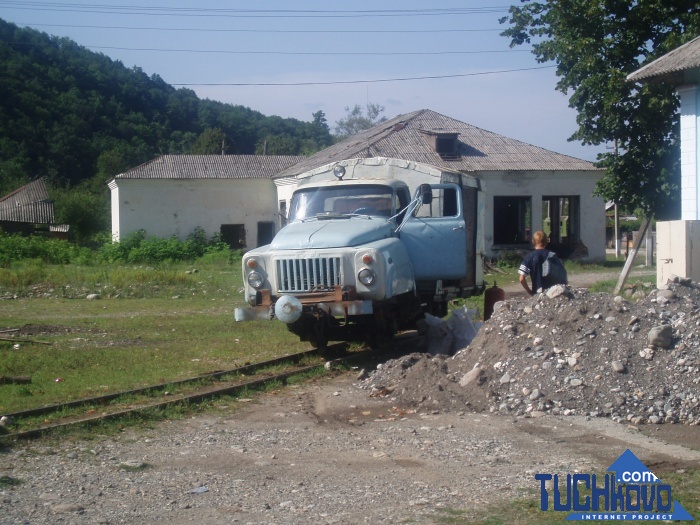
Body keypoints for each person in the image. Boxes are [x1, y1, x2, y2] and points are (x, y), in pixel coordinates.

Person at [518, 230, 551, 296]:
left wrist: (529, 291)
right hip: (552, 293)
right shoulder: (552, 255)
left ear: (533, 241)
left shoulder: (529, 257)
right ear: (546, 242)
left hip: (537, 293)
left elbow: (521, 279)